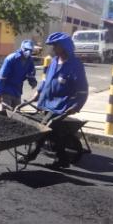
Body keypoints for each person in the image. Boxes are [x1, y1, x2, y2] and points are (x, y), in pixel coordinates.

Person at [28, 32, 89, 168]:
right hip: (46, 102)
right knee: (51, 133)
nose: (53, 49)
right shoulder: (55, 61)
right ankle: (62, 160)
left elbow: (83, 89)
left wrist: (77, 106)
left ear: (64, 47)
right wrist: (38, 92)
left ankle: (32, 155)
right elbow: (46, 80)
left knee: (43, 130)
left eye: (56, 46)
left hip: (61, 105)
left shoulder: (75, 65)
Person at [0, 40, 37, 109]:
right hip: (6, 90)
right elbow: (1, 77)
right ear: (22, 48)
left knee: (16, 113)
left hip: (17, 92)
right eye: (26, 49)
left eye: (30, 50)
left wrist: (32, 81)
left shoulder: (30, 61)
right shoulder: (11, 59)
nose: (28, 52)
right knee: (5, 114)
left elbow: (30, 73)